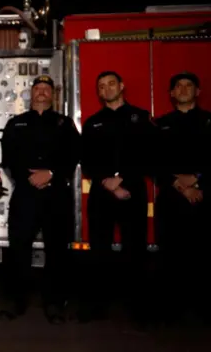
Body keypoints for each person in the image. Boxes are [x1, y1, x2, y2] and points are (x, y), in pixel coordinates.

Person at [0, 75, 81, 324]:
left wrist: (52, 174)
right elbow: (9, 157)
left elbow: (74, 154)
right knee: (18, 248)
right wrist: (28, 177)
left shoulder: (64, 124)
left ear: (53, 95)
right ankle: (16, 300)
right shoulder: (17, 123)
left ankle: (54, 303)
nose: (42, 92)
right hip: (26, 193)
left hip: (57, 195)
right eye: (38, 88)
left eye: (46, 88)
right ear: (31, 94)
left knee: (57, 249)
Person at [79, 71, 155, 324]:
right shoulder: (92, 123)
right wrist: (108, 183)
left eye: (111, 84)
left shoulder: (141, 118)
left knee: (135, 250)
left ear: (121, 86)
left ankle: (140, 309)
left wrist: (122, 178)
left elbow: (147, 156)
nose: (106, 89)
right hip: (102, 195)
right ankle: (97, 306)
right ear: (98, 92)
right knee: (99, 251)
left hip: (132, 192)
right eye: (101, 86)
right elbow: (87, 161)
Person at [154, 72, 211, 324]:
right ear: (172, 94)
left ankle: (203, 309)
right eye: (178, 86)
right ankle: (170, 310)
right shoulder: (160, 124)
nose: (184, 89)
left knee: (204, 253)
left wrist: (198, 179)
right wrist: (180, 184)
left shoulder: (210, 121)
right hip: (171, 198)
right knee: (170, 255)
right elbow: (152, 161)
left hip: (204, 196)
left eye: (189, 85)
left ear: (197, 92)